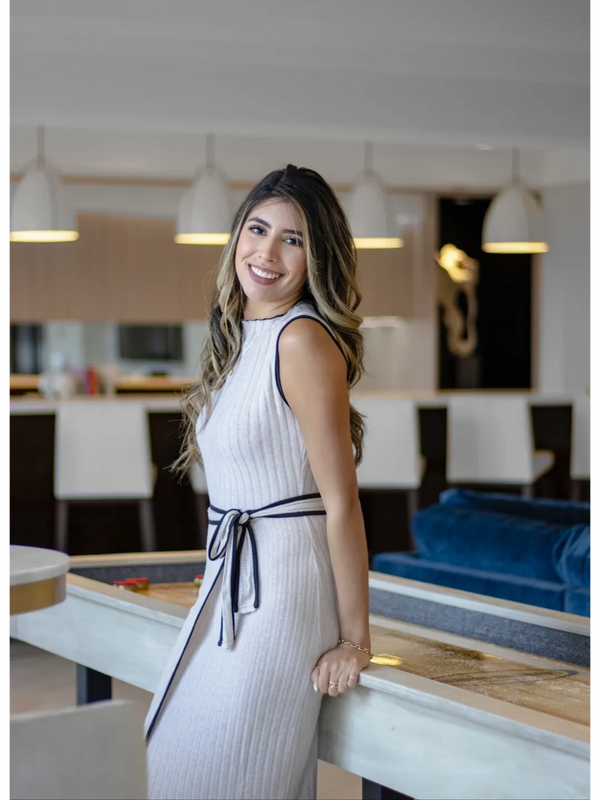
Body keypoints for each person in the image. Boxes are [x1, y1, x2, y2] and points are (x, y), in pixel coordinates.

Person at [145, 165, 371, 800]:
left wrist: (355, 638)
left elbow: (342, 502)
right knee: (177, 762)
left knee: (233, 772)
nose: (268, 253)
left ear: (316, 257)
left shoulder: (301, 341)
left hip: (285, 596)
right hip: (232, 583)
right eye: (258, 228)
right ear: (237, 235)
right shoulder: (239, 338)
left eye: (293, 239)